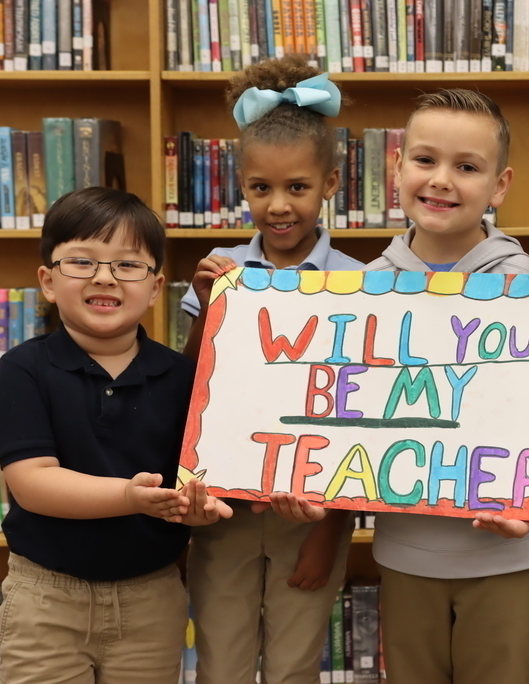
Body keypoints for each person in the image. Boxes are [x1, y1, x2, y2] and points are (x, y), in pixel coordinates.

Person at [272, 88, 529, 684]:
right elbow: (342, 419)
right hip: (405, 551)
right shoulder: (364, 289)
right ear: (397, 169)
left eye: (466, 167)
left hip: (508, 551)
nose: (442, 180)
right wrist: (314, 484)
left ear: (499, 185)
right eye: (425, 160)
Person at [0, 186, 232, 684]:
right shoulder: (24, 369)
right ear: (48, 282)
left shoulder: (182, 378)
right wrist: (130, 496)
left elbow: (191, 480)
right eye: (82, 261)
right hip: (45, 598)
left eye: (127, 265)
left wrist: (196, 508)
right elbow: (32, 484)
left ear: (155, 286)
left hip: (153, 597)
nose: (105, 276)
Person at [181, 55, 361, 684]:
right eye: (261, 188)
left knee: (292, 666)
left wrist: (327, 533)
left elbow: (357, 423)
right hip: (223, 511)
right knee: (220, 663)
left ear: (331, 183)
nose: (279, 206)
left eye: (298, 188)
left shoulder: (360, 286)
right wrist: (206, 311)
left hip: (309, 514)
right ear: (242, 188)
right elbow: (190, 389)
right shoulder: (220, 269)